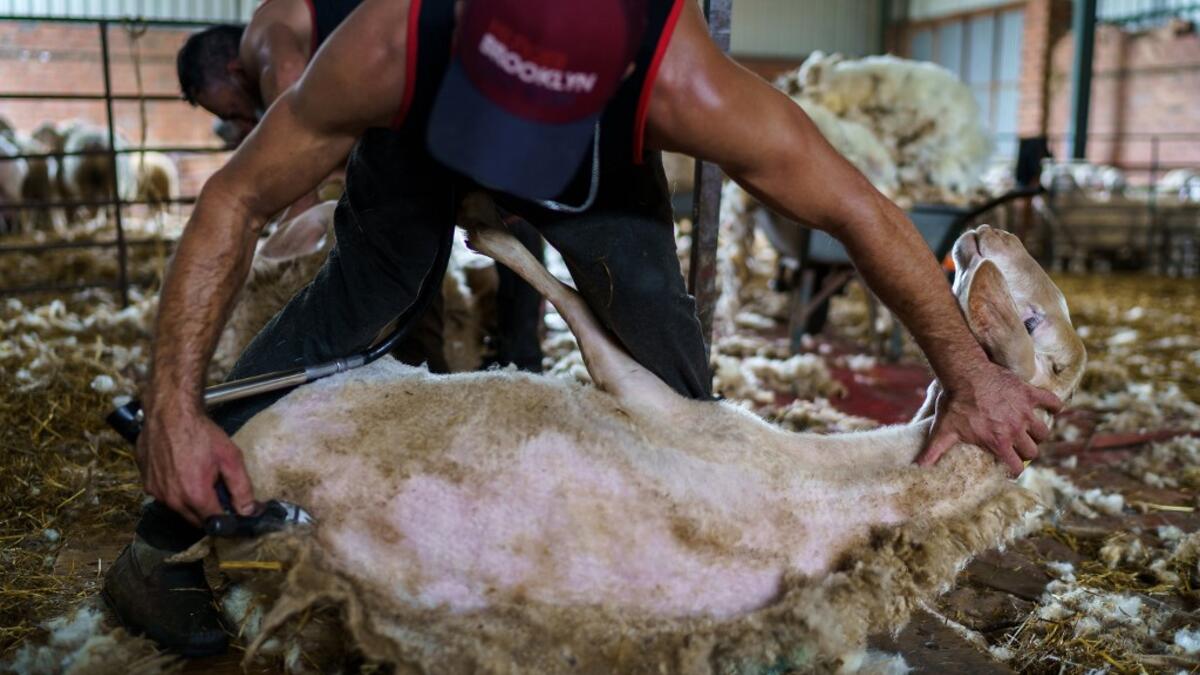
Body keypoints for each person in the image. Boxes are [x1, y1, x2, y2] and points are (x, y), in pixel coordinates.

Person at [106, 0, 1063, 656]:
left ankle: (690, 560)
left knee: (667, 365)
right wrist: (172, 409)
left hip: (601, 148)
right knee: (366, 297)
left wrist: (969, 374)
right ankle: (166, 536)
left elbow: (854, 207)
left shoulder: (682, 74)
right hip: (417, 124)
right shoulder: (388, 42)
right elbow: (233, 199)